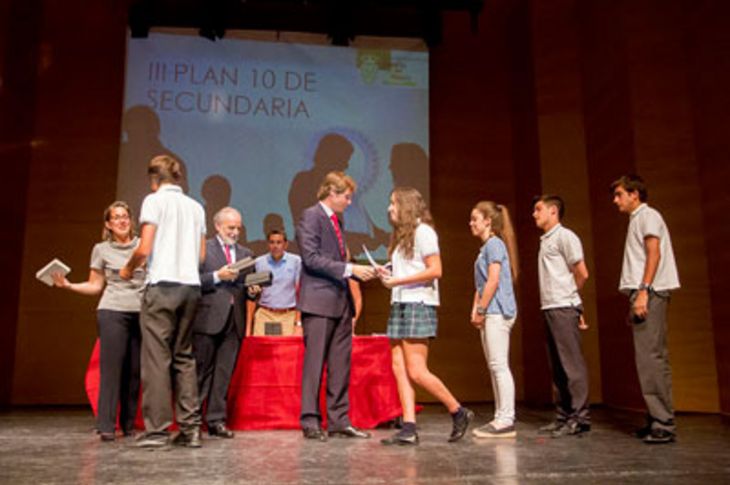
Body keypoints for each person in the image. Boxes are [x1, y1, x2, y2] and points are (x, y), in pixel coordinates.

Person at [120, 154, 206, 449]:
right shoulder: (197, 207)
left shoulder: (153, 200)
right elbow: (202, 257)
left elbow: (144, 248)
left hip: (163, 286)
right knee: (184, 357)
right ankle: (190, 429)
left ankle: (157, 431)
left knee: (157, 359)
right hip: (191, 287)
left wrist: (128, 268)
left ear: (154, 179)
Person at [378, 187, 473, 446]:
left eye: (393, 204)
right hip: (399, 302)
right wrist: (387, 272)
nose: (389, 209)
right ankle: (409, 427)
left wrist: (399, 279)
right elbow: (409, 267)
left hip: (418, 304)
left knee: (417, 371)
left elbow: (436, 270)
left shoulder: (424, 232)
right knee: (398, 367)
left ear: (406, 206)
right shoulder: (402, 236)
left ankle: (458, 410)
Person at [52, 201, 144, 442]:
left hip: (142, 312)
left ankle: (128, 424)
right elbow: (95, 285)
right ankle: (105, 425)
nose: (122, 221)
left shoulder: (143, 246)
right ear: (108, 224)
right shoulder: (101, 249)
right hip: (112, 311)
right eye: (116, 218)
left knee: (134, 373)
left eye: (125, 216)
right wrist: (69, 285)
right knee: (111, 370)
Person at [296, 171, 377, 441]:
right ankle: (310, 421)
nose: (349, 202)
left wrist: (364, 271)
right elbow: (311, 259)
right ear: (331, 193)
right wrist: (349, 268)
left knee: (341, 365)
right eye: (346, 196)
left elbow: (338, 262)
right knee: (315, 364)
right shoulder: (311, 216)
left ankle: (339, 420)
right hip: (318, 302)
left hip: (341, 302)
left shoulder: (336, 221)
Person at [611, 174, 680, 444]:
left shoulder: (648, 216)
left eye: (619, 194)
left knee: (652, 359)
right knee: (648, 359)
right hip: (643, 292)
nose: (616, 200)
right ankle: (655, 418)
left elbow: (654, 253)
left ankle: (663, 423)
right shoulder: (637, 219)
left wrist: (644, 291)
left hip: (649, 292)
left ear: (634, 195)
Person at [193, 207, 257, 439]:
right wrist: (218, 276)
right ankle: (193, 422)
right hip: (207, 319)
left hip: (234, 320)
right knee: (201, 372)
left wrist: (253, 291)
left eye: (238, 227)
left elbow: (248, 288)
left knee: (223, 373)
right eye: (231, 227)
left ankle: (216, 420)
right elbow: (192, 281)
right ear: (217, 226)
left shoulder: (246, 254)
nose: (235, 232)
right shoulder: (203, 250)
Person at [532, 195, 591, 437]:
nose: (534, 214)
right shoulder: (546, 240)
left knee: (571, 365)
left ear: (553, 211)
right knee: (557, 366)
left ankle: (580, 417)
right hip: (550, 307)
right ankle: (563, 415)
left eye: (538, 209)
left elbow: (582, 273)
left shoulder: (565, 236)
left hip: (563, 307)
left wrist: (570, 298)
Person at [468, 201, 518, 439]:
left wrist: (481, 307)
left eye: (475, 219)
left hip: (498, 310)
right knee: (494, 366)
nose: (471, 224)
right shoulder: (486, 247)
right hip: (490, 310)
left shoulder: (495, 244)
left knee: (499, 365)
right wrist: (476, 309)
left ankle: (506, 418)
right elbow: (483, 282)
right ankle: (501, 416)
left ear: (488, 220)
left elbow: (493, 280)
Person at [247, 229, 302, 337]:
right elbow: (252, 294)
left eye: (279, 242)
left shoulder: (296, 262)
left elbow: (300, 293)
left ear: (286, 244)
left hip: (287, 316)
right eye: (272, 242)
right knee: (263, 351)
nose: (275, 246)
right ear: (268, 244)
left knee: (285, 352)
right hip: (265, 314)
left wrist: (298, 322)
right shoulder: (259, 263)